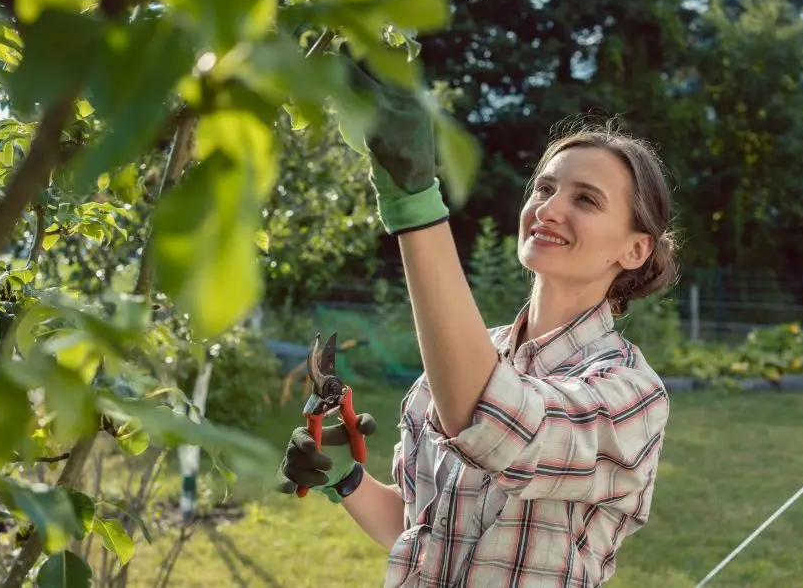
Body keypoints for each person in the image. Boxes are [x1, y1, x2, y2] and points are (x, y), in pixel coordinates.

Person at [276, 70, 678, 587]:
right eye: (545, 188)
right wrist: (346, 480)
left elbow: (499, 428)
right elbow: (420, 525)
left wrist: (416, 206)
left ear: (636, 248)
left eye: (586, 199)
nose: (548, 209)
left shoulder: (632, 394)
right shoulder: (455, 365)